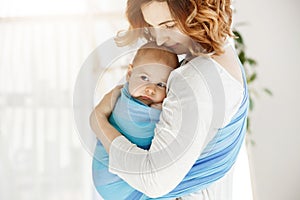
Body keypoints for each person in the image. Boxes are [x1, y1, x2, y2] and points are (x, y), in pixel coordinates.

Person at [90, 0, 249, 199]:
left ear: (197, 11)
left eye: (169, 26)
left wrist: (99, 122)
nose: (159, 39)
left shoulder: (194, 78)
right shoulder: (222, 55)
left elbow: (154, 180)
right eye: (153, 27)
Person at [92, 41, 179, 199]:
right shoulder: (119, 95)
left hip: (122, 185)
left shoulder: (164, 109)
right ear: (130, 74)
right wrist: (157, 113)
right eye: (144, 77)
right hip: (114, 180)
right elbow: (99, 115)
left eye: (161, 84)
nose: (150, 89)